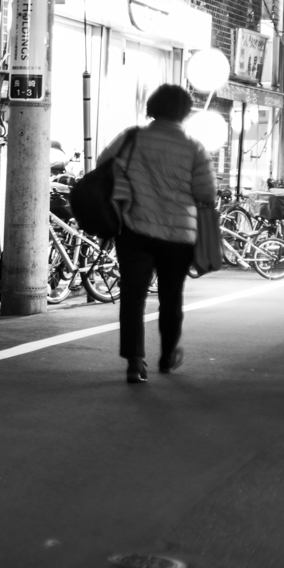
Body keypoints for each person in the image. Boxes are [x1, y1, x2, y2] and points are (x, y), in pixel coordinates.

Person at [96, 84, 215, 384]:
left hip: (135, 229)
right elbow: (206, 193)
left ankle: (135, 362)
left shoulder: (132, 137)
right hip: (178, 237)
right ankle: (167, 356)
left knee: (133, 297)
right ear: (184, 112)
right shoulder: (194, 147)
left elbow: (102, 164)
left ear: (152, 107)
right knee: (171, 298)